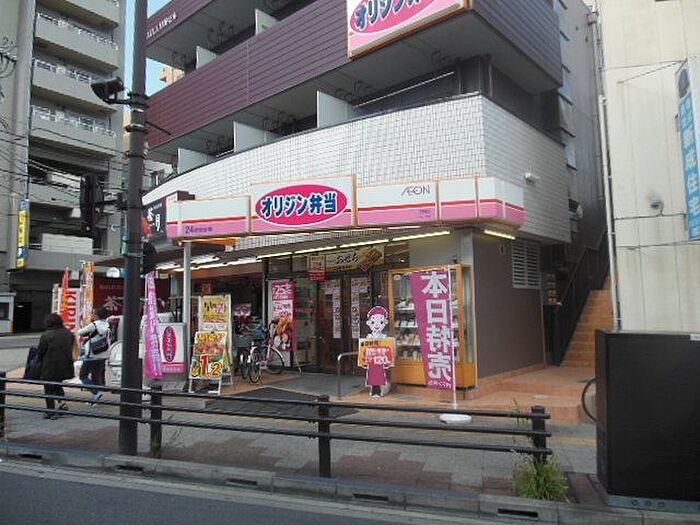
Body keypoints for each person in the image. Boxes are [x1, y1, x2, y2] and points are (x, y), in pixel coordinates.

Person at [37, 313, 74, 419]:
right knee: (57, 384)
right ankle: (62, 404)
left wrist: (38, 362)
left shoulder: (46, 335)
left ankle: (51, 411)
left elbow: (41, 351)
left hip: (50, 365)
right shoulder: (68, 333)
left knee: (48, 387)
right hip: (65, 364)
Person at [77, 306, 111, 404]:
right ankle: (96, 398)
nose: (92, 315)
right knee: (96, 376)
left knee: (83, 375)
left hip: (92, 354)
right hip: (103, 354)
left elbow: (80, 332)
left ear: (96, 315)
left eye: (93, 314)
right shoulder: (107, 324)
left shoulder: (94, 325)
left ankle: (96, 392)